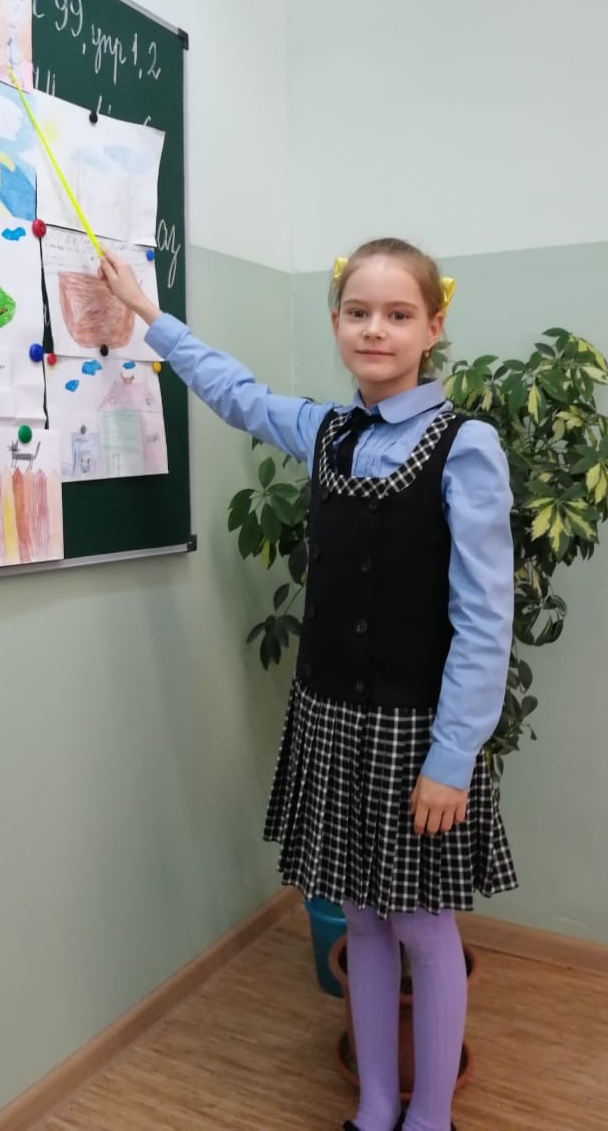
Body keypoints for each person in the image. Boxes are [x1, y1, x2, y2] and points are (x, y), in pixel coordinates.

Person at [99, 237, 517, 1131]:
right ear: (336, 322)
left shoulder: (466, 445)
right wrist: (146, 314)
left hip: (417, 731)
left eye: (398, 314)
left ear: (434, 326)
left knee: (422, 926)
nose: (375, 329)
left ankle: (430, 1118)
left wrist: (451, 760)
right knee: (360, 917)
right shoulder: (327, 430)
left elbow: (486, 619)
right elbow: (237, 394)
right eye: (358, 312)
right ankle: (373, 1105)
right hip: (329, 716)